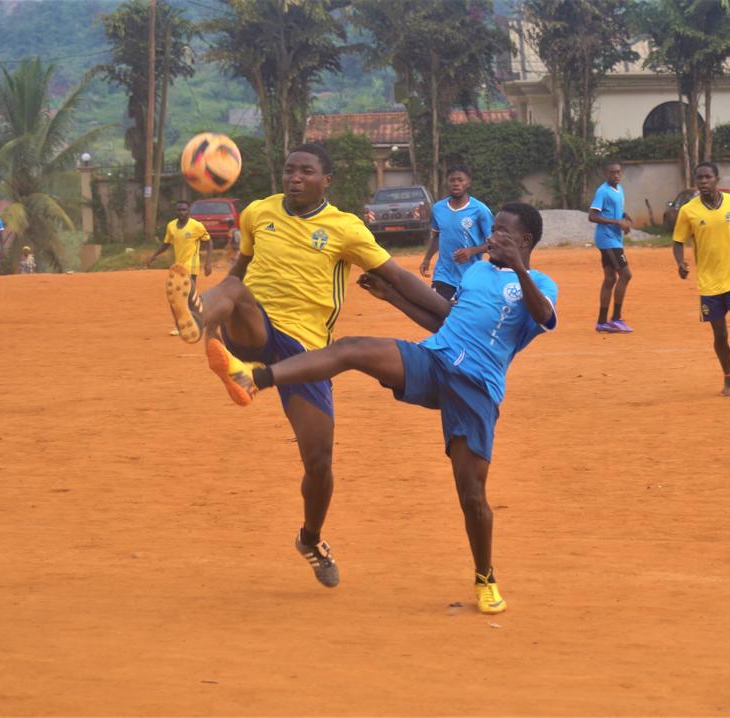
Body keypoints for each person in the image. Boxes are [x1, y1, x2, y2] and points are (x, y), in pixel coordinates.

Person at [197, 203, 556, 614]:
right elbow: (449, 325)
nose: (493, 237)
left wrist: (520, 269)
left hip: (476, 388)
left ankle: (484, 577)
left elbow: (542, 315)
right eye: (493, 229)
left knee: (471, 495)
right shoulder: (475, 273)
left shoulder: (541, 283)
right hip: (435, 360)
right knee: (351, 349)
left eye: (504, 232)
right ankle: (253, 377)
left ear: (525, 241)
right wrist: (394, 299)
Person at [164, 143, 451, 589]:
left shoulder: (345, 228)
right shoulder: (258, 213)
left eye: (305, 171)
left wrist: (449, 314)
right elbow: (239, 271)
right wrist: (216, 321)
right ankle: (196, 317)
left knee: (318, 461)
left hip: (307, 349)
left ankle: (311, 539)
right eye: (288, 170)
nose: (294, 177)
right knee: (236, 292)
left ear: (326, 180)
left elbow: (398, 277)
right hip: (256, 326)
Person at [672, 162, 730, 397]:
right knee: (720, 335)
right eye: (699, 178)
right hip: (708, 283)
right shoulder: (688, 211)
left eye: (708, 177)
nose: (703, 181)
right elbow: (678, 241)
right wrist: (679, 262)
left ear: (717, 179)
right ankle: (728, 377)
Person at [419, 165, 494, 300]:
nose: (456, 184)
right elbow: (436, 237)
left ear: (468, 183)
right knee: (440, 314)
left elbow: (495, 244)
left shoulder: (480, 210)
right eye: (452, 180)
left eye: (460, 180)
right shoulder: (438, 209)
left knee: (465, 317)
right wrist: (427, 259)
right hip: (443, 275)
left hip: (471, 276)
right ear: (447, 183)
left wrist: (472, 251)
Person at [147, 200, 212, 336]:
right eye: (179, 210)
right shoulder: (171, 226)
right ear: (176, 212)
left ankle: (190, 323)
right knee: (182, 296)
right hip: (178, 266)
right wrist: (154, 255)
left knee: (185, 295)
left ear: (189, 212)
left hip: (192, 265)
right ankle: (189, 322)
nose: (181, 212)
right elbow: (166, 243)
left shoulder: (196, 226)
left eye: (184, 210)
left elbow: (208, 242)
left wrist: (208, 263)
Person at [588, 161, 634, 333]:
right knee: (626, 275)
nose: (617, 175)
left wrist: (623, 215)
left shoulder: (619, 189)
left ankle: (601, 322)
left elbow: (613, 210)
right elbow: (592, 216)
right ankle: (615, 319)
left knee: (610, 279)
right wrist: (617, 222)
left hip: (614, 239)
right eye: (613, 172)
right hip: (607, 239)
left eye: (619, 172)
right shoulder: (603, 191)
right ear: (606, 174)